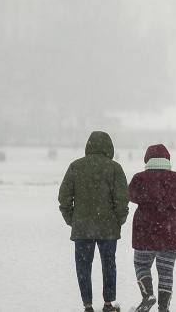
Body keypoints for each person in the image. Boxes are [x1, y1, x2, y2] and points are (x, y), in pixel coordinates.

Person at [59, 131, 130, 312]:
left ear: (88, 146)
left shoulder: (75, 166)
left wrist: (73, 220)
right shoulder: (114, 168)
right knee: (109, 265)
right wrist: (118, 220)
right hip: (108, 228)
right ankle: (108, 304)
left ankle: (87, 305)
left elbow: (64, 197)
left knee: (83, 267)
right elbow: (122, 200)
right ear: (109, 147)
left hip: (82, 228)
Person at [128, 144, 176, 312]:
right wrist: (172, 201)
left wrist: (147, 199)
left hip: (145, 230)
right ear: (167, 159)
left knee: (141, 265)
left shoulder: (139, 178)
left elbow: (130, 195)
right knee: (166, 271)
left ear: (147, 159)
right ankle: (163, 307)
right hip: (171, 231)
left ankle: (147, 296)